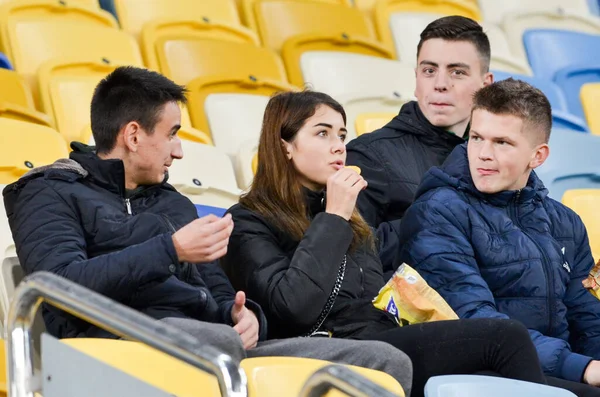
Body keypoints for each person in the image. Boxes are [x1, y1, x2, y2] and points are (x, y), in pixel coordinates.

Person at [2, 66, 414, 389]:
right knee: (214, 341)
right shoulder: (49, 190)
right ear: (132, 135)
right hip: (110, 342)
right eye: (172, 135)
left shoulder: (171, 201)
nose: (180, 151)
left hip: (207, 342)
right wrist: (171, 250)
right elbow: (58, 287)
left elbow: (218, 293)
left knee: (385, 360)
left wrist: (244, 316)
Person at [221, 90, 548, 397]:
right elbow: (293, 309)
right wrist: (334, 217)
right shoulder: (249, 220)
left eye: (341, 135)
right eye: (323, 133)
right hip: (329, 352)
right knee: (505, 337)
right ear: (285, 146)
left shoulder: (350, 215)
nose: (338, 146)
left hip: (382, 338)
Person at [397, 79, 600, 396]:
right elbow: (475, 320)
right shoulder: (437, 212)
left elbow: (588, 318)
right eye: (476, 138)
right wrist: (582, 368)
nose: (483, 154)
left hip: (553, 369)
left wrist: (592, 363)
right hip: (482, 372)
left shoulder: (566, 222)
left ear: (538, 156)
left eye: (502, 142)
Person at [345, 16, 493, 272]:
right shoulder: (368, 156)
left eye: (457, 72)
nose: (440, 84)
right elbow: (349, 258)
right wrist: (438, 223)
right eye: (429, 70)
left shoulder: (500, 156)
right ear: (416, 79)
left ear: (485, 85)